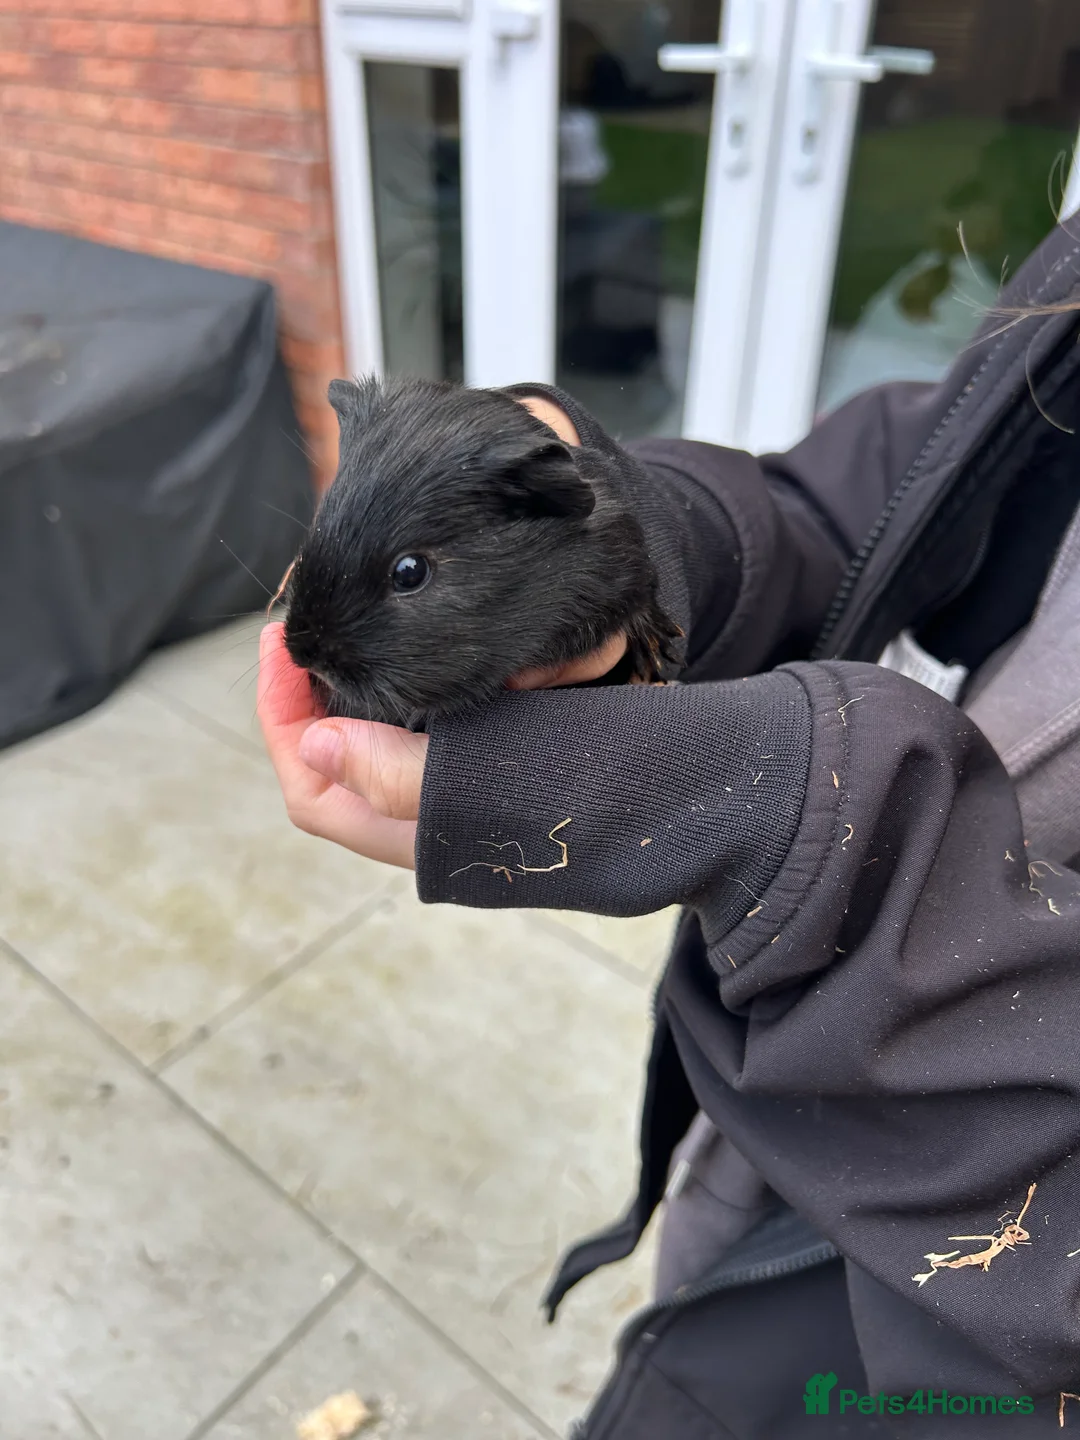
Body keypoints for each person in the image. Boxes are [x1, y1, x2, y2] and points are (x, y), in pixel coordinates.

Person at [259, 218, 1080, 1437]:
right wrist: (652, 552)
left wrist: (798, 822)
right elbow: (886, 503)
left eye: (412, 577)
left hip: (945, 1339)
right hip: (756, 1175)